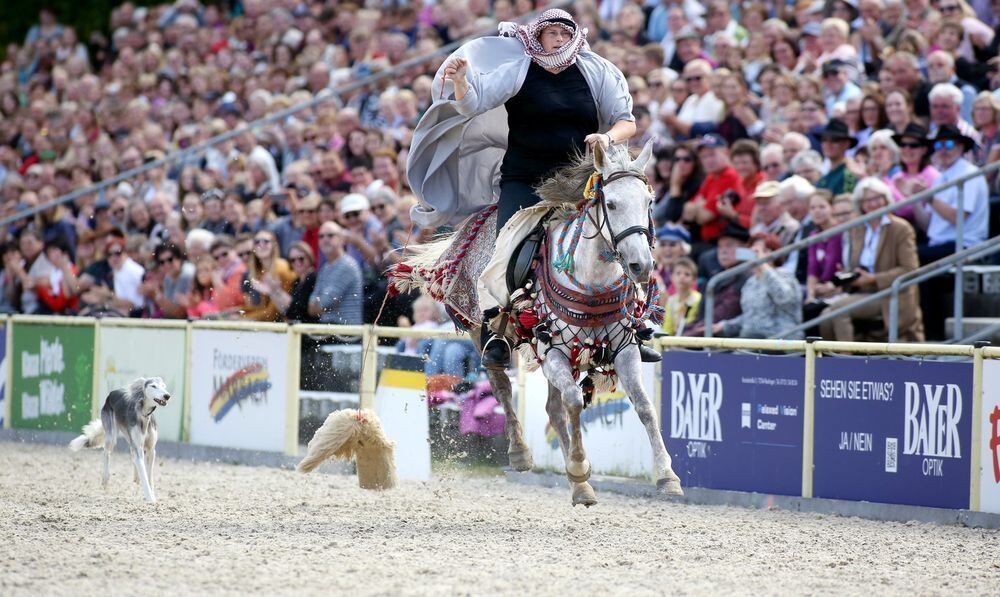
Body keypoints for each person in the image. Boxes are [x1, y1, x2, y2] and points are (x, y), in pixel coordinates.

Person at [408, 9, 639, 369]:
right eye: (551, 34)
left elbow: (627, 121)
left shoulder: (597, 71)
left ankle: (635, 321)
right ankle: (497, 330)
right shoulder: (519, 70)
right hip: (524, 177)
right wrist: (461, 82)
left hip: (580, 176)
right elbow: (473, 104)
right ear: (537, 38)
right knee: (507, 247)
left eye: (565, 33)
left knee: (622, 230)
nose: (559, 40)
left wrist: (606, 137)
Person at [819, 177, 924, 342]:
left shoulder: (900, 228)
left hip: (889, 293)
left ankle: (846, 364)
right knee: (825, 317)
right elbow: (854, 265)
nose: (873, 203)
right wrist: (847, 276)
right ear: (860, 204)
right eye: (867, 200)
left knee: (839, 310)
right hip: (861, 292)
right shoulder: (857, 229)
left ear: (886, 199)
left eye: (877, 198)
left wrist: (874, 279)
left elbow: (910, 270)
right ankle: (833, 362)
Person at [715, 232, 803, 339]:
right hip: (751, 338)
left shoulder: (785, 275)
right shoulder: (751, 282)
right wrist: (724, 326)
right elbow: (750, 317)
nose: (755, 256)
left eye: (762, 252)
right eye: (753, 252)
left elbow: (784, 298)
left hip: (780, 339)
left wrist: (762, 264)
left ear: (773, 254)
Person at [309, 222, 363, 325]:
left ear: (342, 239)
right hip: (331, 330)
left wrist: (318, 305)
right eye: (321, 236)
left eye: (330, 235)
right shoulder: (325, 268)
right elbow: (311, 308)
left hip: (346, 333)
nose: (325, 239)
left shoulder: (347, 265)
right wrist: (318, 305)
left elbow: (324, 304)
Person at [241, 230, 295, 322]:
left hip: (284, 325)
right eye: (257, 242)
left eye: (266, 241)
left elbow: (274, 312)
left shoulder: (282, 268)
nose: (261, 245)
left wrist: (243, 319)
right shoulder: (258, 272)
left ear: (274, 245)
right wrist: (238, 313)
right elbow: (260, 308)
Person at [267, 241, 319, 324]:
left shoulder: (314, 278)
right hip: (299, 330)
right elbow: (287, 312)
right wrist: (272, 291)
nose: (297, 263)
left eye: (301, 259)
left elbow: (297, 309)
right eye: (293, 260)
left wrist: (277, 290)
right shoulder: (297, 281)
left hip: (312, 330)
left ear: (309, 257)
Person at [660, 257, 701, 336]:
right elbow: (667, 328)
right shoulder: (671, 300)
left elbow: (693, 326)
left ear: (694, 280)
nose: (682, 277)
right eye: (678, 273)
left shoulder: (698, 299)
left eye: (687, 274)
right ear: (672, 277)